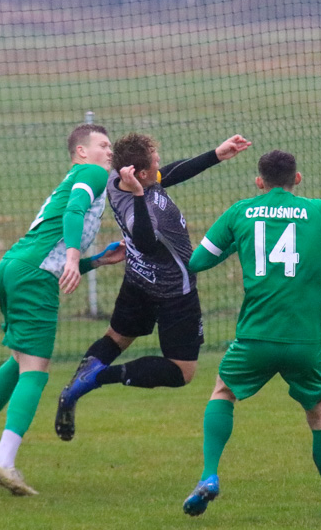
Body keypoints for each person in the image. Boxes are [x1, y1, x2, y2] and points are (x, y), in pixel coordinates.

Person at [182, 150, 321, 519]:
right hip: (305, 341)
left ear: (259, 182)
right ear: (296, 179)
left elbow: (197, 261)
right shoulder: (320, 211)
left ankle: (209, 475)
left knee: (223, 391)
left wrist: (240, 242)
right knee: (319, 414)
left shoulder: (241, 212)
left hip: (256, 337)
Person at [0, 124, 126, 496]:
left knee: (19, 361)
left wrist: (92, 261)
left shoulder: (84, 175)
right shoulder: (92, 173)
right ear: (81, 152)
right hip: (32, 275)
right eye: (102, 145)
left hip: (14, 266)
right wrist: (72, 255)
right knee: (36, 370)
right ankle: (3, 462)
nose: (109, 151)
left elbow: (53, 248)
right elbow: (76, 209)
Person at [54, 132, 250, 442]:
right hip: (175, 293)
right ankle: (97, 378)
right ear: (139, 174)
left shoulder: (116, 181)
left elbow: (169, 173)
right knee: (182, 372)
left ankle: (72, 391)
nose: (159, 163)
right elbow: (145, 241)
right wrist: (138, 197)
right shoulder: (142, 209)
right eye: (153, 161)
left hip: (137, 281)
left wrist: (216, 154)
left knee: (116, 338)